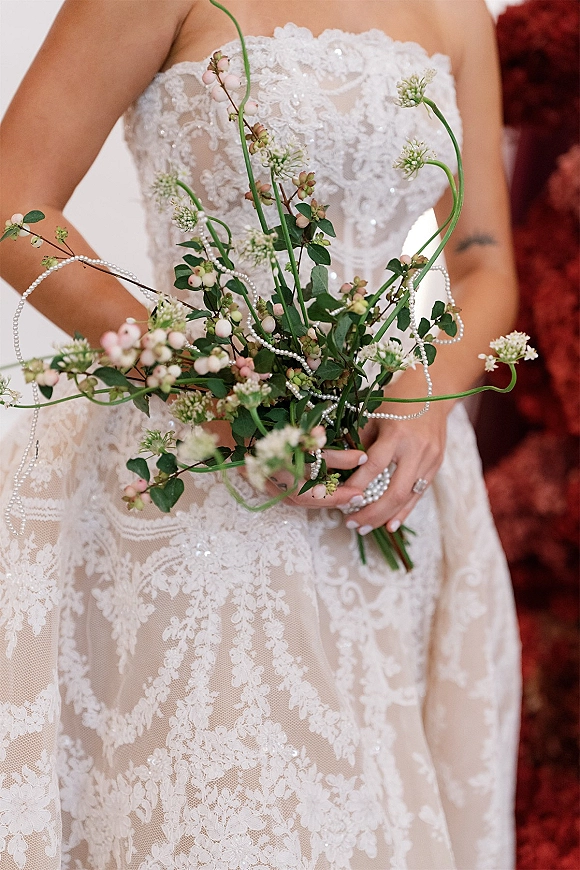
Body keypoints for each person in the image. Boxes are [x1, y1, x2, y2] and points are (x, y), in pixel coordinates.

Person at [0, 1, 521, 867]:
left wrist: (427, 393)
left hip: (388, 488)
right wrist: (195, 376)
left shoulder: (455, 9)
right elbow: (14, 204)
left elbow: (482, 253)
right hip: (191, 487)